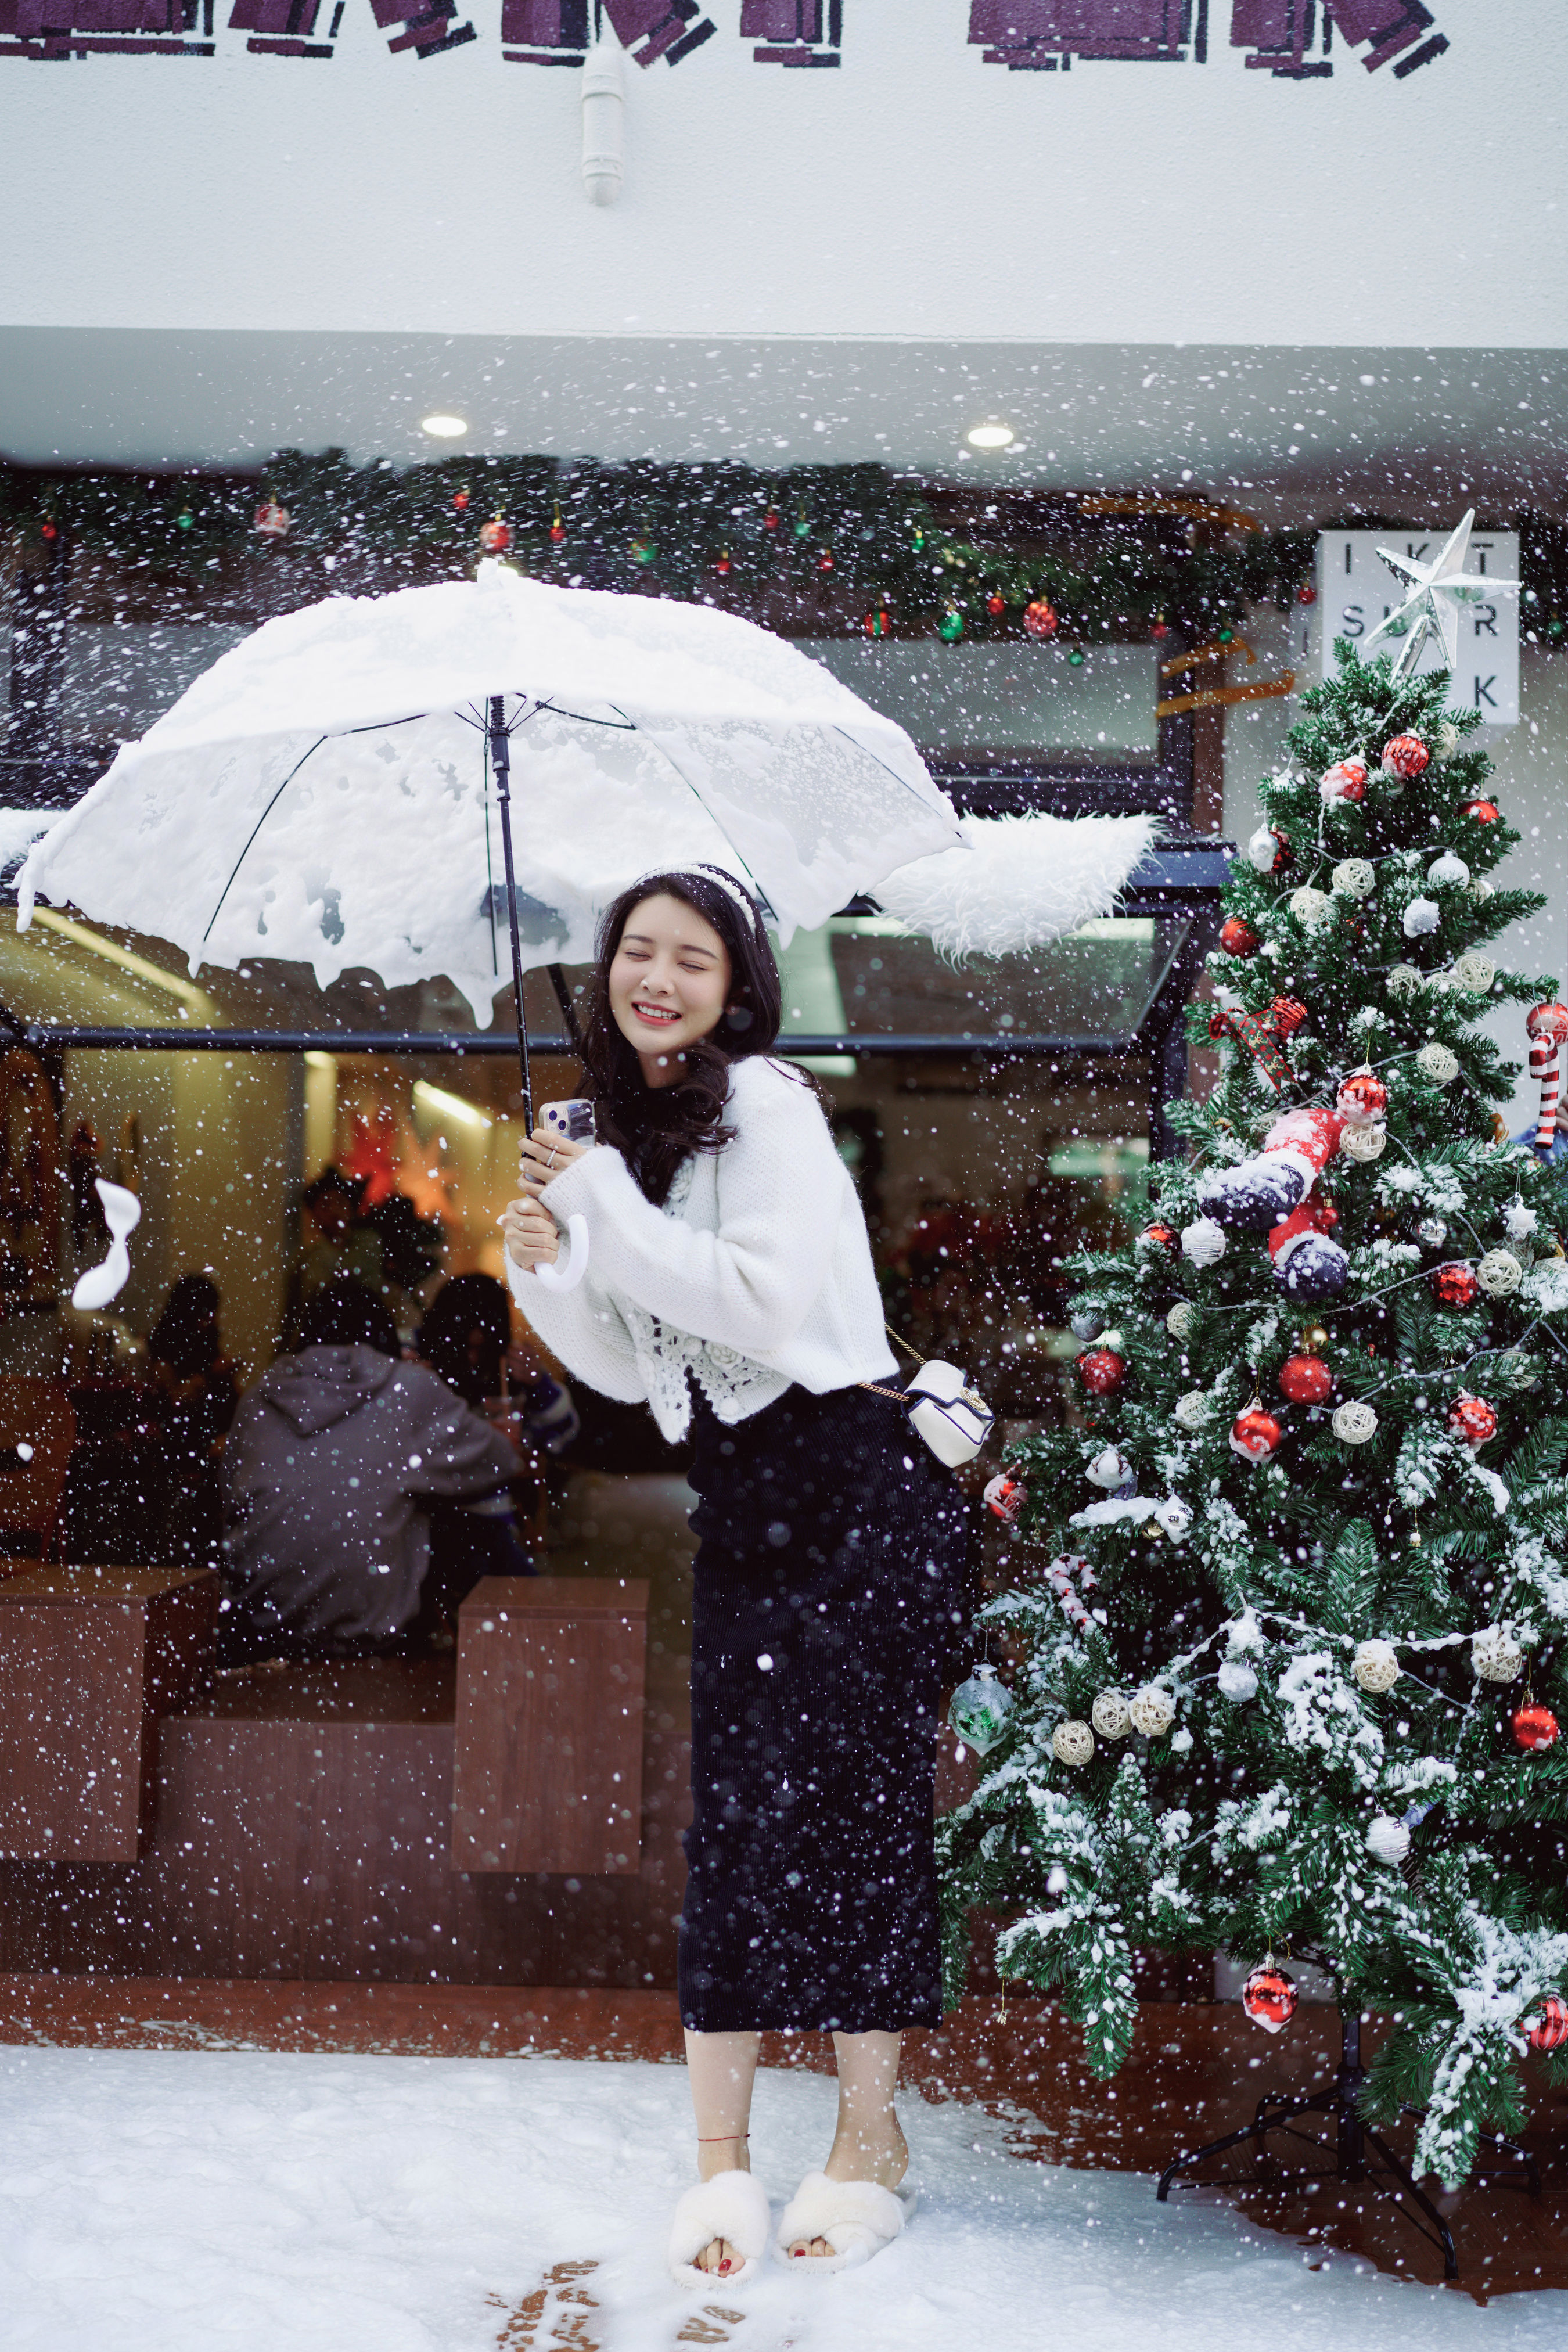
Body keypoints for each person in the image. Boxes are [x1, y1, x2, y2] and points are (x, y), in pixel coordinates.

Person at [502, 866, 968, 2287]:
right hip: (744, 1507)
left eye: (688, 958)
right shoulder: (610, 1133)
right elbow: (636, 1369)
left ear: (734, 985)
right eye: (634, 952)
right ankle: (719, 2168)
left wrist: (600, 1207)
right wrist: (547, 1264)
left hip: (855, 1490)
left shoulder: (763, 1102)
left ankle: (870, 2138)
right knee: (736, 1822)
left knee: (852, 1816)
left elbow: (760, 1299)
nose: (657, 976)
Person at [221, 1279, 519, 1661]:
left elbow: (230, 1495)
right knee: (464, 1532)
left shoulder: (258, 1397)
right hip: (369, 1641)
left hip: (256, 1633)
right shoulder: (406, 1390)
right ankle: (516, 1653)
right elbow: (500, 1460)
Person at [146, 1273, 238, 1571]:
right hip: (184, 1443)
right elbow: (174, 1400)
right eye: (205, 1314)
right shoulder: (166, 1348)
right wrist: (210, 1377)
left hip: (210, 1436)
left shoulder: (207, 1341)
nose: (211, 1321)